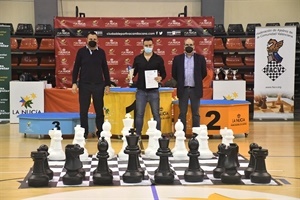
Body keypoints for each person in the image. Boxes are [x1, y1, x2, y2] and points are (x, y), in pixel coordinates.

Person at [72, 31, 111, 139]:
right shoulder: (81, 52)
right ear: (86, 40)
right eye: (90, 39)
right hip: (84, 85)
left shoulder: (101, 52)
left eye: (94, 39)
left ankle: (101, 133)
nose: (92, 41)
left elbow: (105, 69)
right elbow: (76, 68)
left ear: (97, 41)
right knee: (83, 110)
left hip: (99, 85)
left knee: (99, 110)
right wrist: (74, 83)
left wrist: (107, 84)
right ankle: (84, 133)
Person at [132, 36, 166, 136]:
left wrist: (160, 78)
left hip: (154, 91)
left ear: (153, 45)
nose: (148, 47)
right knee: (139, 114)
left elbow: (164, 73)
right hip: (141, 90)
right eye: (146, 45)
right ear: (143, 46)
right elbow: (133, 72)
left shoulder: (158, 59)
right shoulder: (138, 59)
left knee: (156, 114)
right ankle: (137, 135)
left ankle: (158, 135)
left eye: (150, 45)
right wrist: (130, 76)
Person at [172, 38, 207, 132]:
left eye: (191, 45)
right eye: (187, 45)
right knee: (182, 113)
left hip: (195, 89)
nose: (189, 46)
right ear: (183, 46)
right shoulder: (177, 59)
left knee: (196, 113)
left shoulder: (200, 58)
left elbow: (204, 73)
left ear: (194, 46)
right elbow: (174, 74)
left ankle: (196, 134)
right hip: (183, 89)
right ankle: (181, 134)